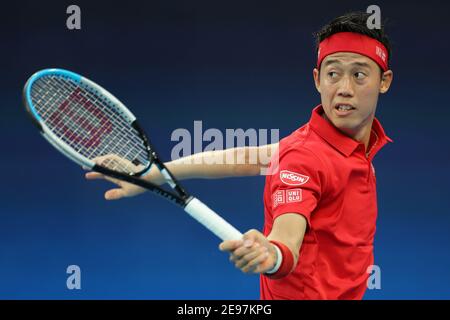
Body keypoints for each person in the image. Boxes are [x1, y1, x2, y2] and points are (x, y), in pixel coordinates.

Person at [85, 11, 393, 300]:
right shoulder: (305, 158)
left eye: (359, 75)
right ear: (317, 80)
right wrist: (272, 255)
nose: (344, 89)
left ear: (384, 81)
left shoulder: (335, 147)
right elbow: (287, 241)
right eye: (333, 74)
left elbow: (248, 157)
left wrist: (156, 173)